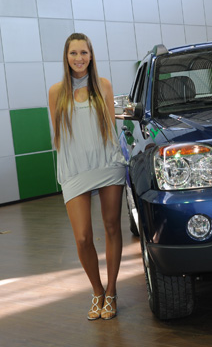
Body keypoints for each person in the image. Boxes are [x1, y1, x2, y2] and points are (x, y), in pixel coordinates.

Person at [48, 33, 126, 321]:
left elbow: (111, 128)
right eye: (73, 53)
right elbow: (60, 136)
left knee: (112, 226)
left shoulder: (103, 86)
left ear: (91, 56)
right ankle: (97, 290)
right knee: (82, 237)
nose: (79, 58)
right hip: (75, 168)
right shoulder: (56, 92)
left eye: (83, 52)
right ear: (66, 57)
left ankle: (112, 291)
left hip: (106, 163)